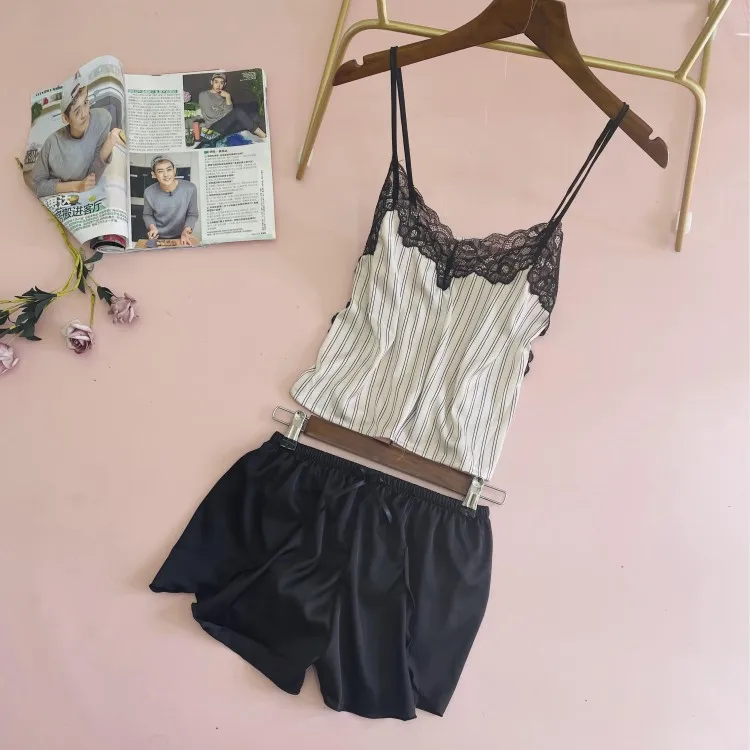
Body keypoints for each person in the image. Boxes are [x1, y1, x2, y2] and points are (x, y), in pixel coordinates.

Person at [32, 71, 123, 197]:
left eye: (85, 102)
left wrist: (109, 142)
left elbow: (92, 178)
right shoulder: (52, 143)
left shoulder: (102, 119)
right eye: (77, 111)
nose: (85, 114)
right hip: (58, 197)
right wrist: (77, 186)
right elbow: (37, 186)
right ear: (66, 118)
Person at [142, 156, 199, 246]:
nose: (166, 175)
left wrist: (186, 231)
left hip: (181, 236)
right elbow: (147, 214)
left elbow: (192, 214)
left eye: (169, 170)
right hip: (158, 236)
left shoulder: (190, 188)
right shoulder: (148, 192)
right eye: (160, 171)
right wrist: (152, 228)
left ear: (174, 171)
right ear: (154, 174)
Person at [196, 72, 266, 143]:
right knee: (237, 112)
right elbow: (211, 114)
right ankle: (264, 137)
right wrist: (227, 116)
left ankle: (267, 135)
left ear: (224, 84)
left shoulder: (224, 96)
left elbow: (230, 115)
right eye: (216, 82)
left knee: (254, 116)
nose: (218, 85)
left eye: (221, 83)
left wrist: (228, 97)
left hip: (225, 129)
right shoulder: (204, 95)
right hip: (211, 132)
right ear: (211, 82)